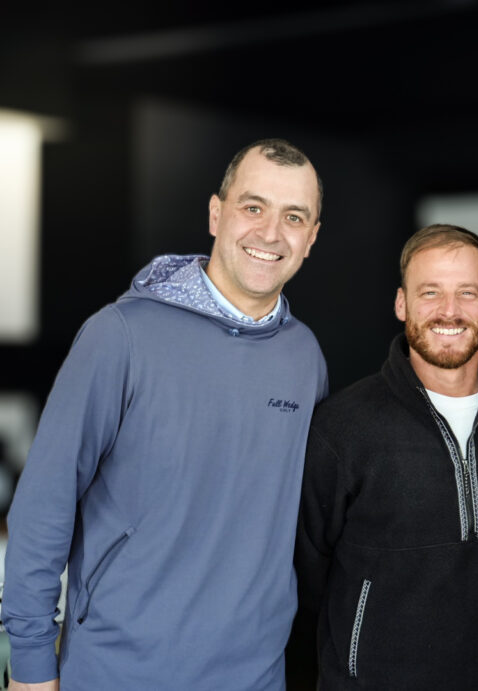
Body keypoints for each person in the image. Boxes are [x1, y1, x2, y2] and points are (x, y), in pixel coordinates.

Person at [2, 138, 328, 691]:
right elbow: (44, 504)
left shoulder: (305, 358)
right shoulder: (120, 335)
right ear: (216, 213)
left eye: (293, 216)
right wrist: (31, 663)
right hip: (116, 671)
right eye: (253, 207)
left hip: (255, 677)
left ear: (312, 237)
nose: (271, 233)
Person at [295, 224, 478, 690]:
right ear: (402, 304)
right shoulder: (341, 427)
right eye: (431, 292)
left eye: (468, 293)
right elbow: (305, 581)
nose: (450, 311)